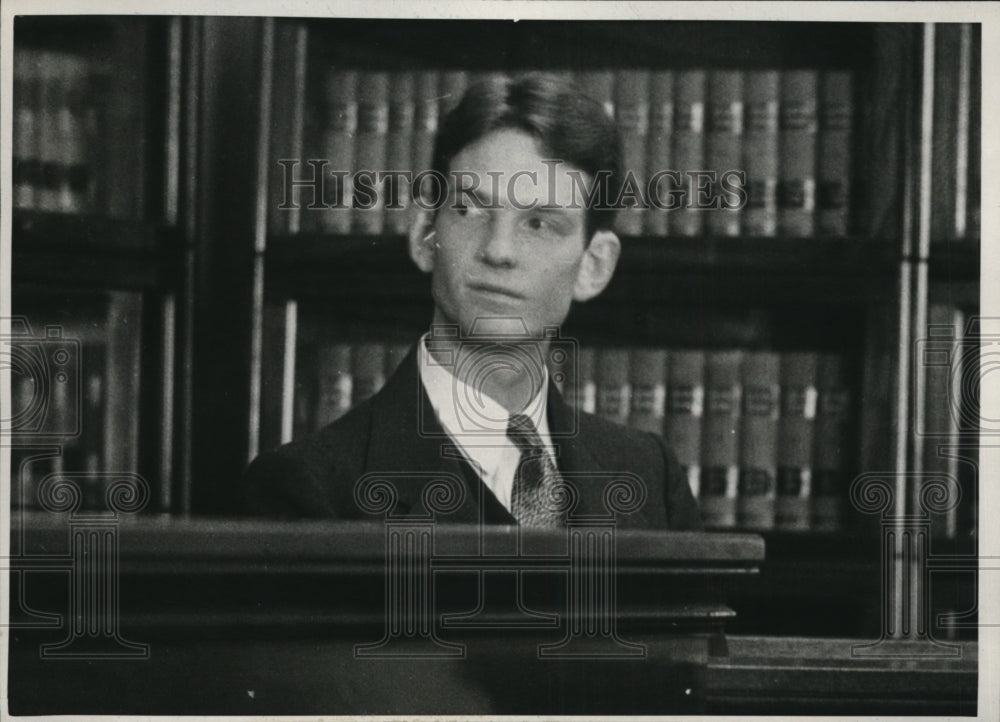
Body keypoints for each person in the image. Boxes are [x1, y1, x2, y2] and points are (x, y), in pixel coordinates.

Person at [241, 73, 701, 530]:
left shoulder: (650, 478)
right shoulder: (309, 489)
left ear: (594, 266)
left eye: (539, 223)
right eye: (469, 210)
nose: (498, 251)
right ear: (425, 235)